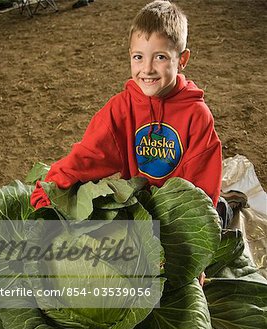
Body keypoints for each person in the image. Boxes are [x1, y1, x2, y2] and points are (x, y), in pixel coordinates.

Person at [31, 0, 222, 210]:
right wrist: (51, 186)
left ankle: (226, 205)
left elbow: (201, 187)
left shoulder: (197, 115)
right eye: (138, 57)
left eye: (160, 57)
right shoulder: (121, 108)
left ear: (182, 59)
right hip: (138, 207)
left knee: (217, 218)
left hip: (175, 211)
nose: (147, 69)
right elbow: (88, 155)